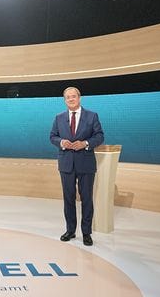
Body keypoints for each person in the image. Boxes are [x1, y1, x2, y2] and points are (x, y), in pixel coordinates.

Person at [50, 87, 104, 246]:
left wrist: (85, 143)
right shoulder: (59, 118)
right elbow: (52, 136)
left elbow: (99, 136)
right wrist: (61, 142)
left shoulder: (92, 116)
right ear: (64, 100)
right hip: (66, 163)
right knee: (68, 199)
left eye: (73, 96)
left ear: (79, 98)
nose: (71, 99)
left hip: (86, 163)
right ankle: (70, 230)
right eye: (68, 97)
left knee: (86, 198)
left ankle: (86, 233)